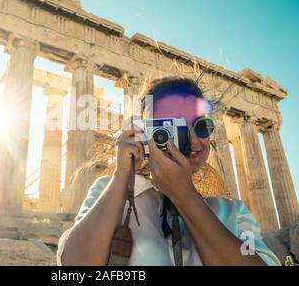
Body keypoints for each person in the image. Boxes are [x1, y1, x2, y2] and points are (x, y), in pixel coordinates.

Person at [57, 77, 280, 266]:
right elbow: (74, 265)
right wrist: (121, 176)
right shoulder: (110, 191)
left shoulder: (235, 211)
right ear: (146, 132)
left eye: (201, 126)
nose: (192, 140)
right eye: (174, 127)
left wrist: (185, 197)